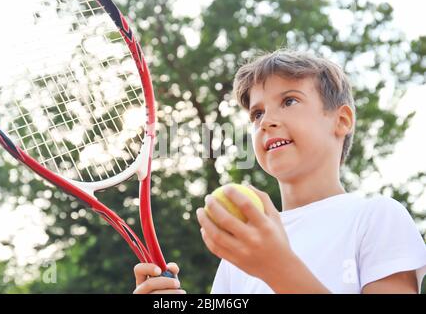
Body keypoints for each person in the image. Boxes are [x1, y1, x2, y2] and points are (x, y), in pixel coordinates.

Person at [132, 49, 426, 294]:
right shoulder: (242, 248)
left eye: (289, 101)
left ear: (341, 120)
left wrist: (276, 266)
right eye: (257, 113)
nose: (267, 120)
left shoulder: (377, 216)